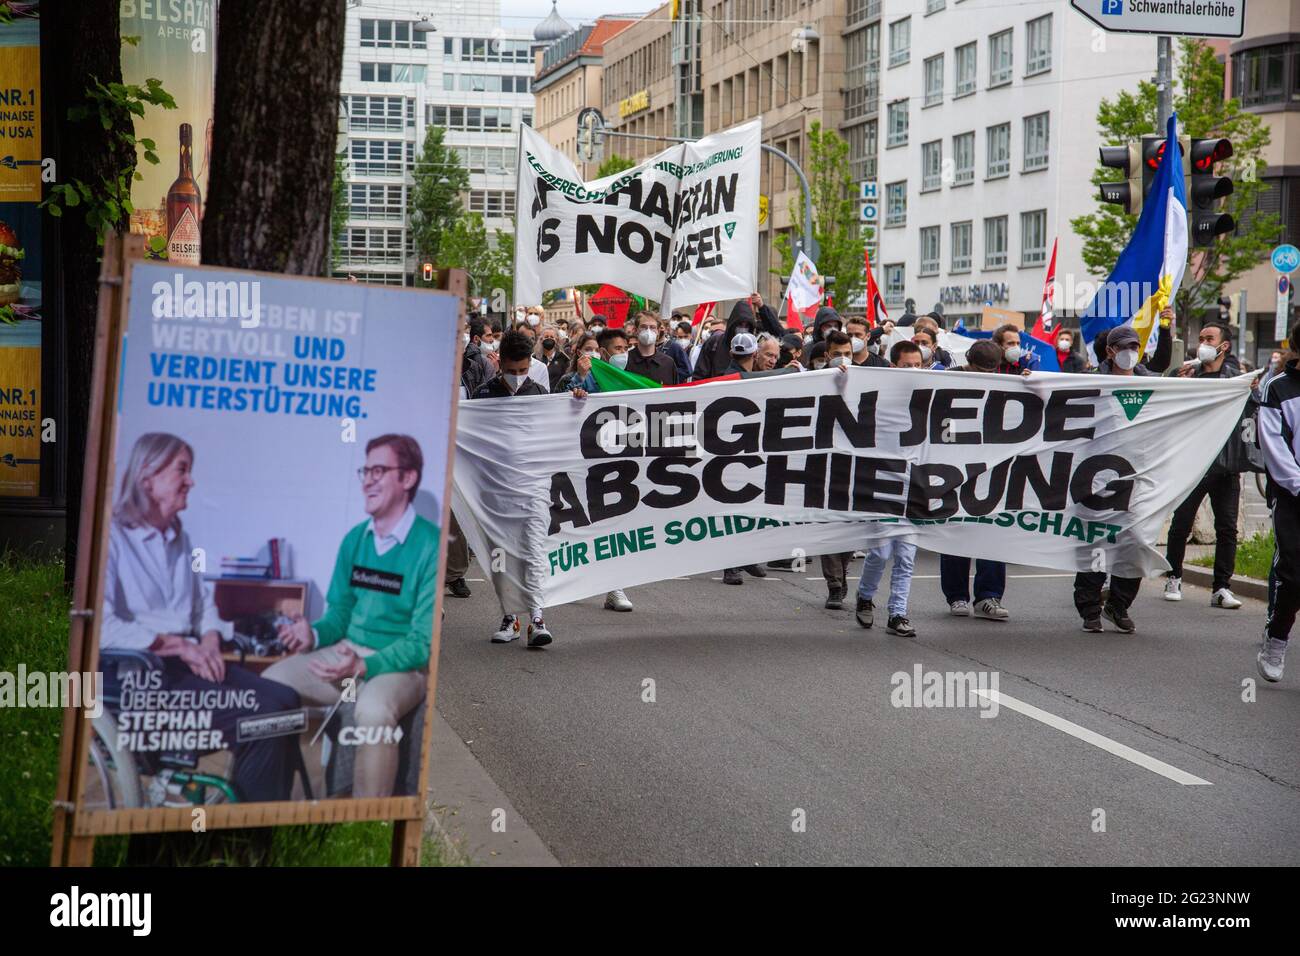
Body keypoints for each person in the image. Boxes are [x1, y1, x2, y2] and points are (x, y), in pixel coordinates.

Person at [103, 432, 300, 803]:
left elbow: (204, 605)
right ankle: (245, 844)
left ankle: (266, 818)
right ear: (148, 477)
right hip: (142, 679)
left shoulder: (181, 539)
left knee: (286, 699)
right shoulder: (112, 538)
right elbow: (101, 624)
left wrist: (209, 639)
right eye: (182, 470)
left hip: (187, 667)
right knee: (263, 717)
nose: (191, 480)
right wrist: (176, 645)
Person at [271, 434, 438, 796]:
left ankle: (368, 825)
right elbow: (340, 614)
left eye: (379, 470)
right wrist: (312, 635)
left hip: (399, 666)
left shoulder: (430, 546)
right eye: (366, 470)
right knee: (270, 684)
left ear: (408, 479)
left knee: (374, 711)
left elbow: (422, 643)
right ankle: (271, 805)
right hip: (346, 652)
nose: (367, 480)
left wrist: (364, 667)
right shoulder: (354, 539)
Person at [1162, 320, 1245, 608]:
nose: (1203, 344)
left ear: (1224, 346)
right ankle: (1173, 577)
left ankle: (1222, 587)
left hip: (1225, 466)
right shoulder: (1186, 375)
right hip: (1192, 464)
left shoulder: (1237, 380)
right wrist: (1176, 382)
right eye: (1201, 338)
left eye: (1209, 338)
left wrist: (1251, 388)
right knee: (1181, 524)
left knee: (1227, 528)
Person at [1073, 326, 1150, 633]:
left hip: (1137, 479)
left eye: (1136, 345)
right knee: (1095, 544)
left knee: (1136, 545)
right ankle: (1090, 608)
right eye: (1125, 346)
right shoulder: (1091, 381)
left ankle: (1118, 605)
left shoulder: (1155, 384)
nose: (1132, 350)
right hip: (1095, 477)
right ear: (1110, 351)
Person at [939, 340, 1011, 621]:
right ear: (968, 360)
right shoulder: (944, 381)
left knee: (992, 531)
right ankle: (957, 596)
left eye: (990, 371)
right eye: (980, 369)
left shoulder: (1008, 385)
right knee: (957, 531)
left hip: (992, 471)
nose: (986, 375)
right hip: (953, 469)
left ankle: (989, 596)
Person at [1257, 326, 1300, 681]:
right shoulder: (1278, 388)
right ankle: (1277, 637)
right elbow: (1274, 446)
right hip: (1292, 497)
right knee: (1293, 574)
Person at [695, 300, 759, 379]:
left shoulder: (753, 346)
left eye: (747, 325)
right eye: (740, 324)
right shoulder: (714, 343)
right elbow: (699, 376)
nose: (743, 329)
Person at [536, 323, 570, 389]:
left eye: (552, 337)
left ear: (556, 340)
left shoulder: (564, 358)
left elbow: (566, 380)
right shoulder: (535, 358)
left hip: (557, 395)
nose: (549, 339)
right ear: (541, 339)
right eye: (546, 337)